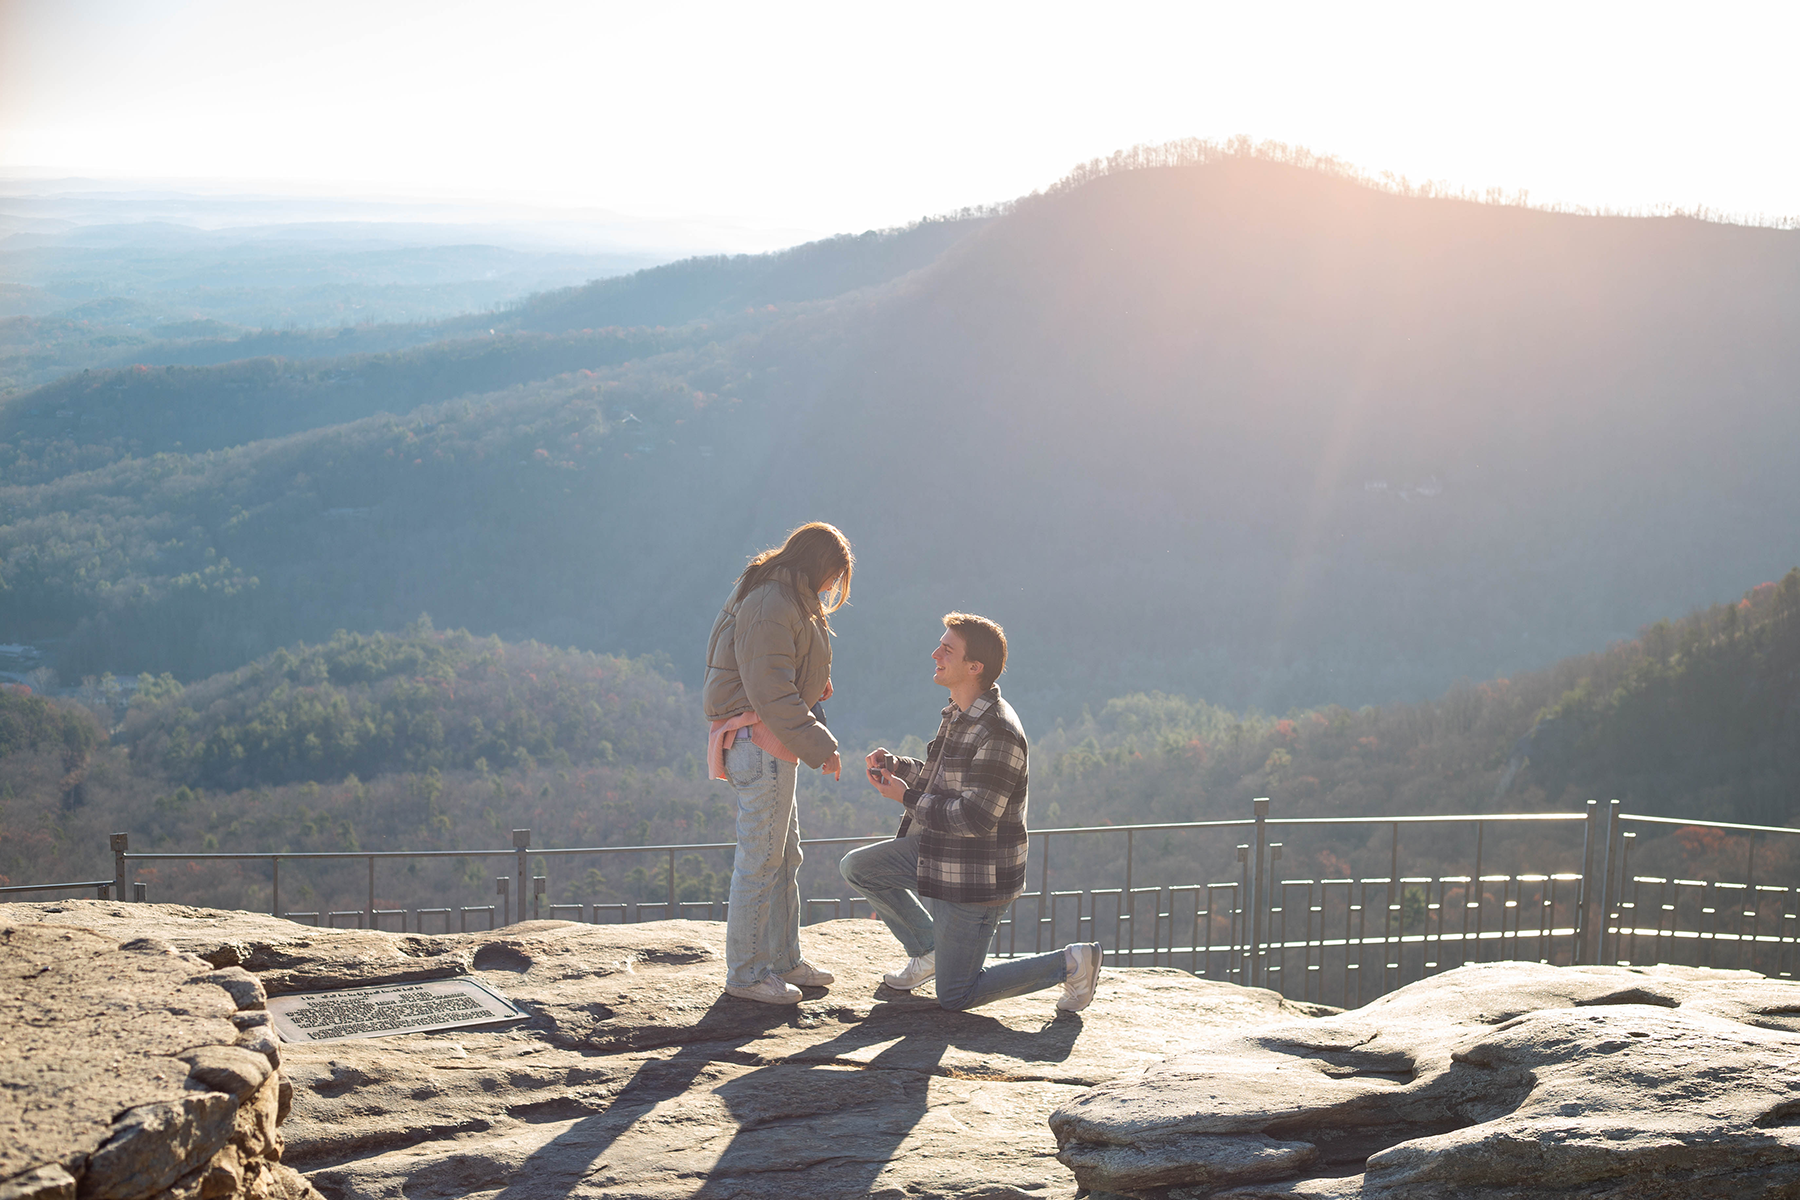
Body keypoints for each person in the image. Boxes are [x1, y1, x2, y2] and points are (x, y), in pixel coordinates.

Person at [840, 612, 1102, 1013]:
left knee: (956, 995)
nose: (934, 654)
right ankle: (928, 950)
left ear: (974, 667)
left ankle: (1072, 963)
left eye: (947, 650)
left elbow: (975, 818)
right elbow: (942, 776)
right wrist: (898, 767)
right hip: (941, 853)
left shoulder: (998, 731)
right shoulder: (959, 711)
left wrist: (905, 798)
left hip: (977, 877)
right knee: (858, 867)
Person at [704, 522, 851, 1004]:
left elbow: (786, 676)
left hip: (770, 743)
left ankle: (783, 960)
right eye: (833, 574)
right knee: (761, 861)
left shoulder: (786, 598)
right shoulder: (772, 603)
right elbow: (770, 689)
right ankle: (746, 975)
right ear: (818, 565)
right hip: (760, 742)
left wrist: (813, 708)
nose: (833, 586)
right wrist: (820, 743)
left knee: (783, 857)